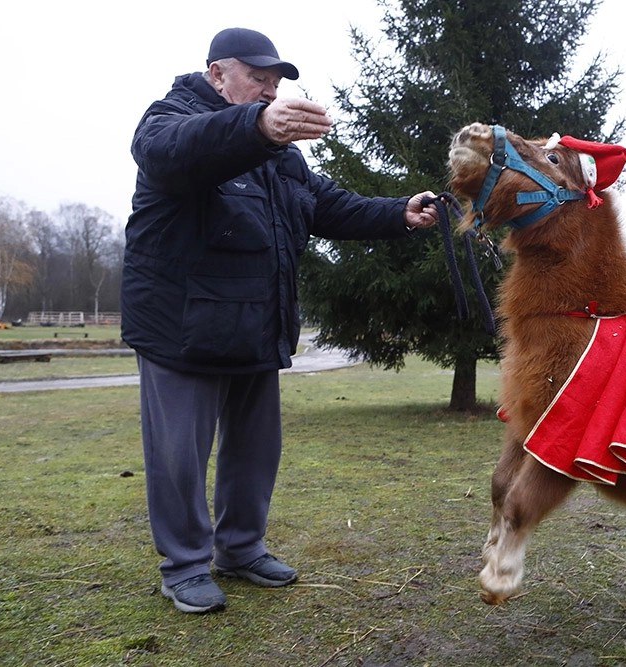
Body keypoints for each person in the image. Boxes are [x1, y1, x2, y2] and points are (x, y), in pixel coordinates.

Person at [121, 27, 439, 614]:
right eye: (258, 79)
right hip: (181, 328)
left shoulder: (279, 157)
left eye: (276, 84)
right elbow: (176, 152)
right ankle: (185, 566)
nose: (270, 91)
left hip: (253, 326)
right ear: (217, 73)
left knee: (255, 451)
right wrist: (257, 127)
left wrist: (401, 212)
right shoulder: (170, 118)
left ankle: (240, 548)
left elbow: (329, 204)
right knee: (179, 457)